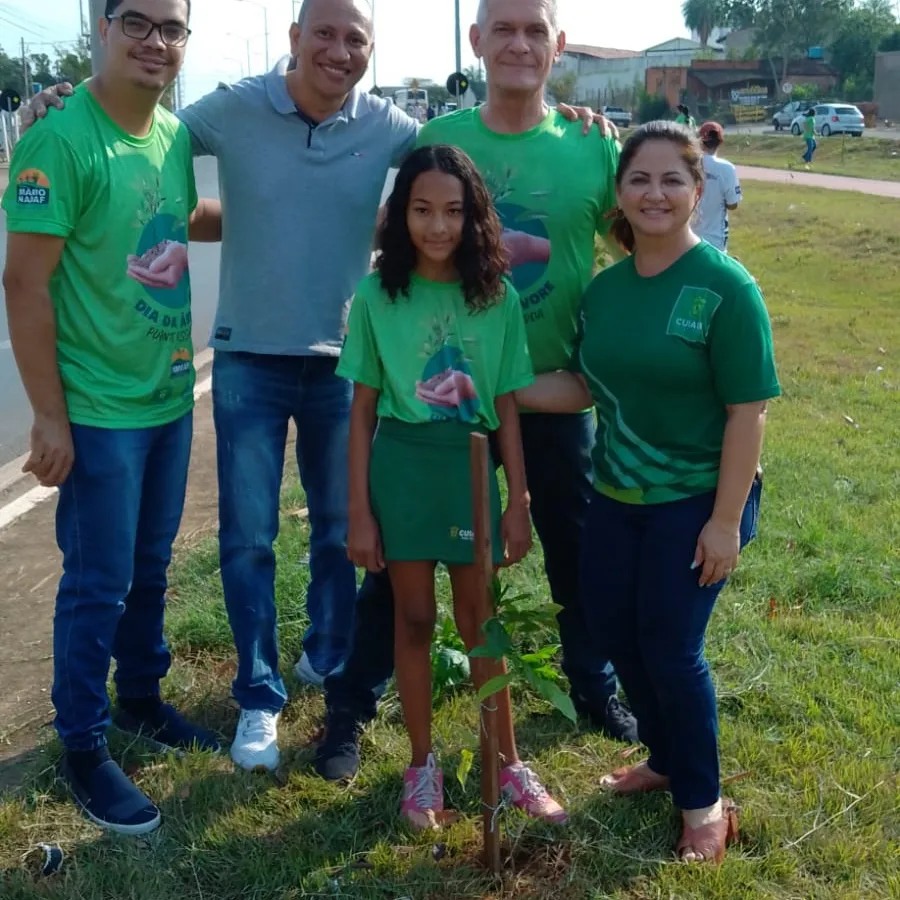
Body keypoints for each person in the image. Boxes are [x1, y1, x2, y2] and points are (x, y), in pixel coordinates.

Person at [23, 0, 610, 776]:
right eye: (322, 34)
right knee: (257, 539)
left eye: (354, 38)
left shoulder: (401, 128)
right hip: (251, 359)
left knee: (352, 533)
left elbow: (479, 181)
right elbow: (144, 128)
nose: (338, 50)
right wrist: (55, 100)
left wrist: (578, 117)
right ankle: (275, 698)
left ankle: (342, 665)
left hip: (365, 363)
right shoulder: (233, 110)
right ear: (294, 38)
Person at [315, 0, 638, 783]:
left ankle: (593, 685)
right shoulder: (439, 139)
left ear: (559, 44)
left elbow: (640, 242)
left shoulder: (593, 146)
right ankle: (351, 706)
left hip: (541, 397)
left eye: (536, 30)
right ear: (477, 40)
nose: (520, 44)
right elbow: (391, 232)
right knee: (396, 571)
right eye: (504, 29)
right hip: (434, 419)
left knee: (571, 549)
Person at [516, 121, 780, 863]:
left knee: (669, 646)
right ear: (620, 194)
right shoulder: (605, 290)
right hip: (616, 496)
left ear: (698, 190)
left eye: (672, 180)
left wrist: (724, 522)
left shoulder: (726, 288)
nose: (654, 193)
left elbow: (748, 412)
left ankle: (704, 804)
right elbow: (583, 385)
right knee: (611, 629)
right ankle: (665, 756)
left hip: (698, 499)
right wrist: (504, 388)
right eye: (639, 179)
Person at [1, 0, 222, 835]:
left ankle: (140, 701)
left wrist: (298, 217)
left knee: (151, 566)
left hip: (167, 396)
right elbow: (23, 284)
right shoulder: (59, 138)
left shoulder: (172, 136)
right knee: (99, 581)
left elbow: (182, 219)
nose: (156, 42)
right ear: (101, 27)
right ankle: (83, 745)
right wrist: (48, 419)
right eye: (138, 22)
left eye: (173, 28)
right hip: (98, 412)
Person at [339, 143, 566, 828]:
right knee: (413, 619)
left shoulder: (495, 296)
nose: (437, 226)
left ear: (474, 217)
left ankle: (507, 763)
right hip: (402, 470)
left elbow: (506, 407)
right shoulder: (377, 295)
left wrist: (518, 501)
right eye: (422, 210)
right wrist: (359, 511)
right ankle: (421, 767)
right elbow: (362, 411)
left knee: (480, 621)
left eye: (453, 211)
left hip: (469, 467)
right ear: (399, 215)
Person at [694, 121, 742, 252]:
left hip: (689, 237)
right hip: (716, 239)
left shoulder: (690, 164)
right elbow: (733, 204)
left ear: (700, 141)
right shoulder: (727, 168)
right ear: (720, 142)